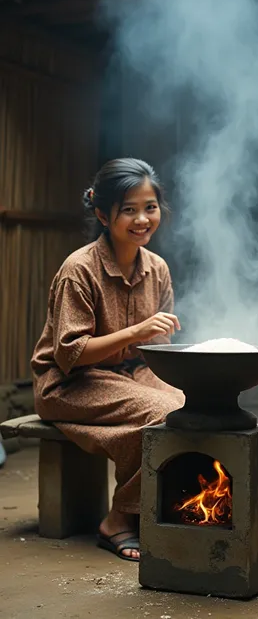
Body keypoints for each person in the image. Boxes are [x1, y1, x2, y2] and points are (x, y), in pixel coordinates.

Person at [31, 158, 184, 562]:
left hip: (130, 374)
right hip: (69, 382)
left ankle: (170, 509)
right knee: (158, 412)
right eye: (128, 209)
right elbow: (71, 353)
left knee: (191, 404)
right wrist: (136, 332)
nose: (142, 219)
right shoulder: (78, 269)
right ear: (102, 214)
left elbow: (159, 345)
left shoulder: (158, 269)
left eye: (150, 207)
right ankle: (118, 519)